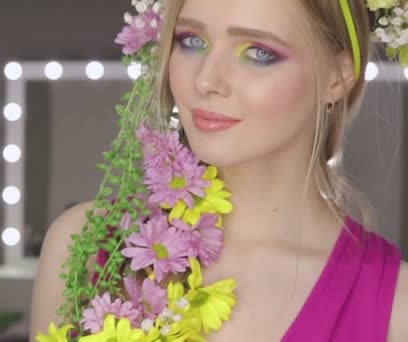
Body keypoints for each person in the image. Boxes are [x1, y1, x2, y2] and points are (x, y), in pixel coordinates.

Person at [31, 0, 408, 341]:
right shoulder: (82, 245)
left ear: (338, 76)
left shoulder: (397, 308)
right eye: (192, 41)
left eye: (259, 52)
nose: (206, 81)